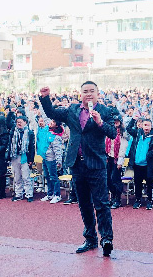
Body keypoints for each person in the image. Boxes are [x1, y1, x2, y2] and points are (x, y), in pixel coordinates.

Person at [39, 82, 117, 257]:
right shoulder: (72, 110)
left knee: (102, 204)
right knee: (84, 203)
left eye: (92, 91)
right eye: (85, 91)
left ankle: (106, 239)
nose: (88, 94)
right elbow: (52, 113)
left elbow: (112, 133)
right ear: (80, 94)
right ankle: (90, 238)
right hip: (77, 164)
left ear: (98, 93)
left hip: (96, 164)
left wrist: (100, 122)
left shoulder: (105, 111)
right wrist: (45, 97)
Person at [126, 115, 153, 210]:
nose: (146, 127)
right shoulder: (137, 134)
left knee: (149, 183)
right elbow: (128, 129)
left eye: (148, 125)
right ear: (141, 125)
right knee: (137, 183)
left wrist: (149, 154)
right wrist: (133, 119)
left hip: (147, 165)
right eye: (145, 125)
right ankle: (138, 200)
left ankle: (149, 200)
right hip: (137, 165)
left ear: (151, 126)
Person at [7, 115, 36, 202]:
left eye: (20, 122)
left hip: (25, 156)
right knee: (17, 176)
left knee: (26, 176)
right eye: (17, 122)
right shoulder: (13, 131)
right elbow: (10, 144)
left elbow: (32, 147)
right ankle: (18, 194)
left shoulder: (30, 133)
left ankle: (29, 194)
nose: (18, 123)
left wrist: (31, 159)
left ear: (25, 122)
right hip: (15, 156)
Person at [107, 117, 128, 209]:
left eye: (117, 121)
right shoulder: (108, 131)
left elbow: (123, 147)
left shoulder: (123, 133)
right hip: (108, 157)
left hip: (117, 158)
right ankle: (113, 196)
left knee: (115, 179)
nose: (115, 122)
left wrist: (120, 160)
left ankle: (118, 199)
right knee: (108, 179)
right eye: (114, 121)